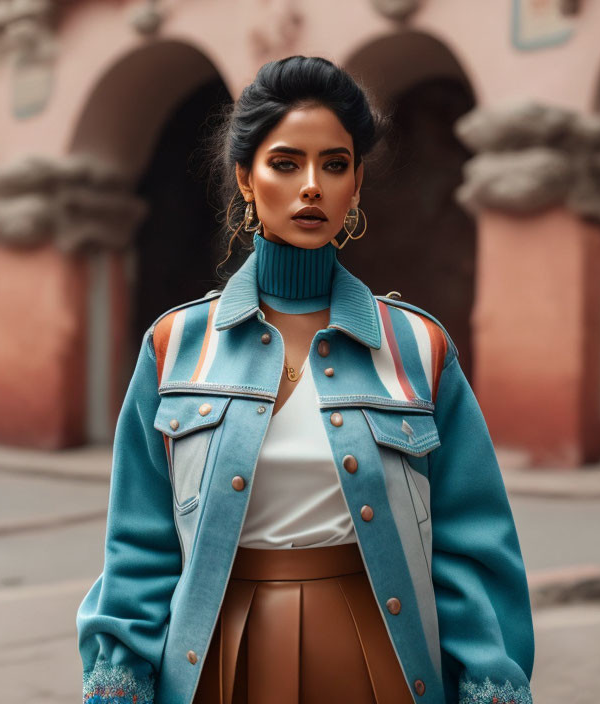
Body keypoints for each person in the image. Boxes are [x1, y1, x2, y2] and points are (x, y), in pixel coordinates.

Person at [77, 56, 534, 704]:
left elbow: (473, 547)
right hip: (215, 662)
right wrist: (118, 683)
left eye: (336, 164)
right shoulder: (175, 346)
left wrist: (492, 683)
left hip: (378, 658)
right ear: (246, 177)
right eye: (286, 163)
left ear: (356, 184)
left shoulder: (417, 347)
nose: (312, 186)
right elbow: (139, 550)